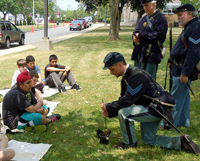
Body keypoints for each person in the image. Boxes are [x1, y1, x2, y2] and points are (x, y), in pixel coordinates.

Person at [101, 52, 199, 154]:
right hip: (151, 107)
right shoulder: (126, 78)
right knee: (149, 140)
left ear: (120, 65)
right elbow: (124, 100)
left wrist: (108, 106)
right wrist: (110, 111)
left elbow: (127, 101)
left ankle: (129, 143)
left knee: (124, 114)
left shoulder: (137, 76)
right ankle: (180, 142)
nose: (111, 73)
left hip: (157, 108)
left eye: (112, 69)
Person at [160, 4, 200, 129]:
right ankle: (183, 121)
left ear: (189, 14)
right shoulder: (191, 26)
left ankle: (169, 124)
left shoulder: (196, 26)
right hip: (179, 66)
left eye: (180, 14)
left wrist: (185, 72)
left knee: (175, 98)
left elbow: (194, 52)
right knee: (184, 96)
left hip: (182, 69)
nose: (178, 17)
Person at [131, 0, 168, 80]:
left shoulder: (161, 18)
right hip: (139, 53)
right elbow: (135, 31)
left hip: (151, 53)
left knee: (149, 80)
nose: (145, 8)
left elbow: (158, 36)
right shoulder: (143, 18)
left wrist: (141, 35)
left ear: (153, 4)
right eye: (143, 6)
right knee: (137, 78)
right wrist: (134, 38)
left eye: (147, 5)